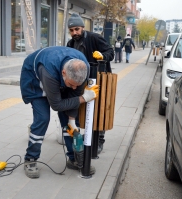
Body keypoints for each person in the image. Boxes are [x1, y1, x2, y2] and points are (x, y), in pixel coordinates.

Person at [20, 46, 99, 179]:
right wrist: (84, 98)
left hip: (58, 80)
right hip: (35, 81)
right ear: (63, 73)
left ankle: (73, 159)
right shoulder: (49, 71)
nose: (74, 87)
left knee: (68, 121)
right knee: (42, 119)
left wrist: (72, 120)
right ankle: (30, 159)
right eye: (71, 84)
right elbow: (56, 105)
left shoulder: (82, 67)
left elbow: (74, 93)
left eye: (76, 85)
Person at [65, 13, 114, 154]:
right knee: (82, 108)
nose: (74, 33)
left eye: (77, 29)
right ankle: (84, 135)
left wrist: (103, 56)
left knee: (99, 109)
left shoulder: (94, 38)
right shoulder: (70, 43)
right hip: (80, 81)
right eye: (72, 30)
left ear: (82, 27)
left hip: (98, 79)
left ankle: (99, 140)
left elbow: (110, 52)